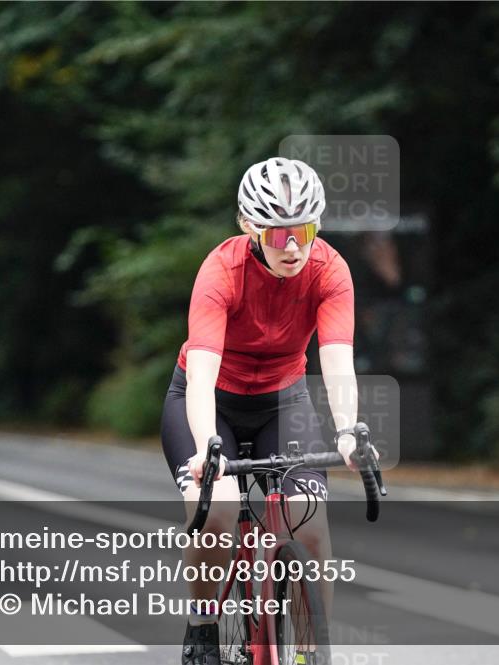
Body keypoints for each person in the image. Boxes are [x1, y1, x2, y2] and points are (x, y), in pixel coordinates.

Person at [161, 157, 373, 665]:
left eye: (304, 229)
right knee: (219, 511)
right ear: (249, 227)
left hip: (284, 399)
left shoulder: (330, 269)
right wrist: (208, 445)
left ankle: (311, 653)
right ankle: (203, 627)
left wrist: (347, 431)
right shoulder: (221, 271)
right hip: (211, 401)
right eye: (278, 236)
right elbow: (203, 374)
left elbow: (338, 359)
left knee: (313, 525)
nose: (294, 246)